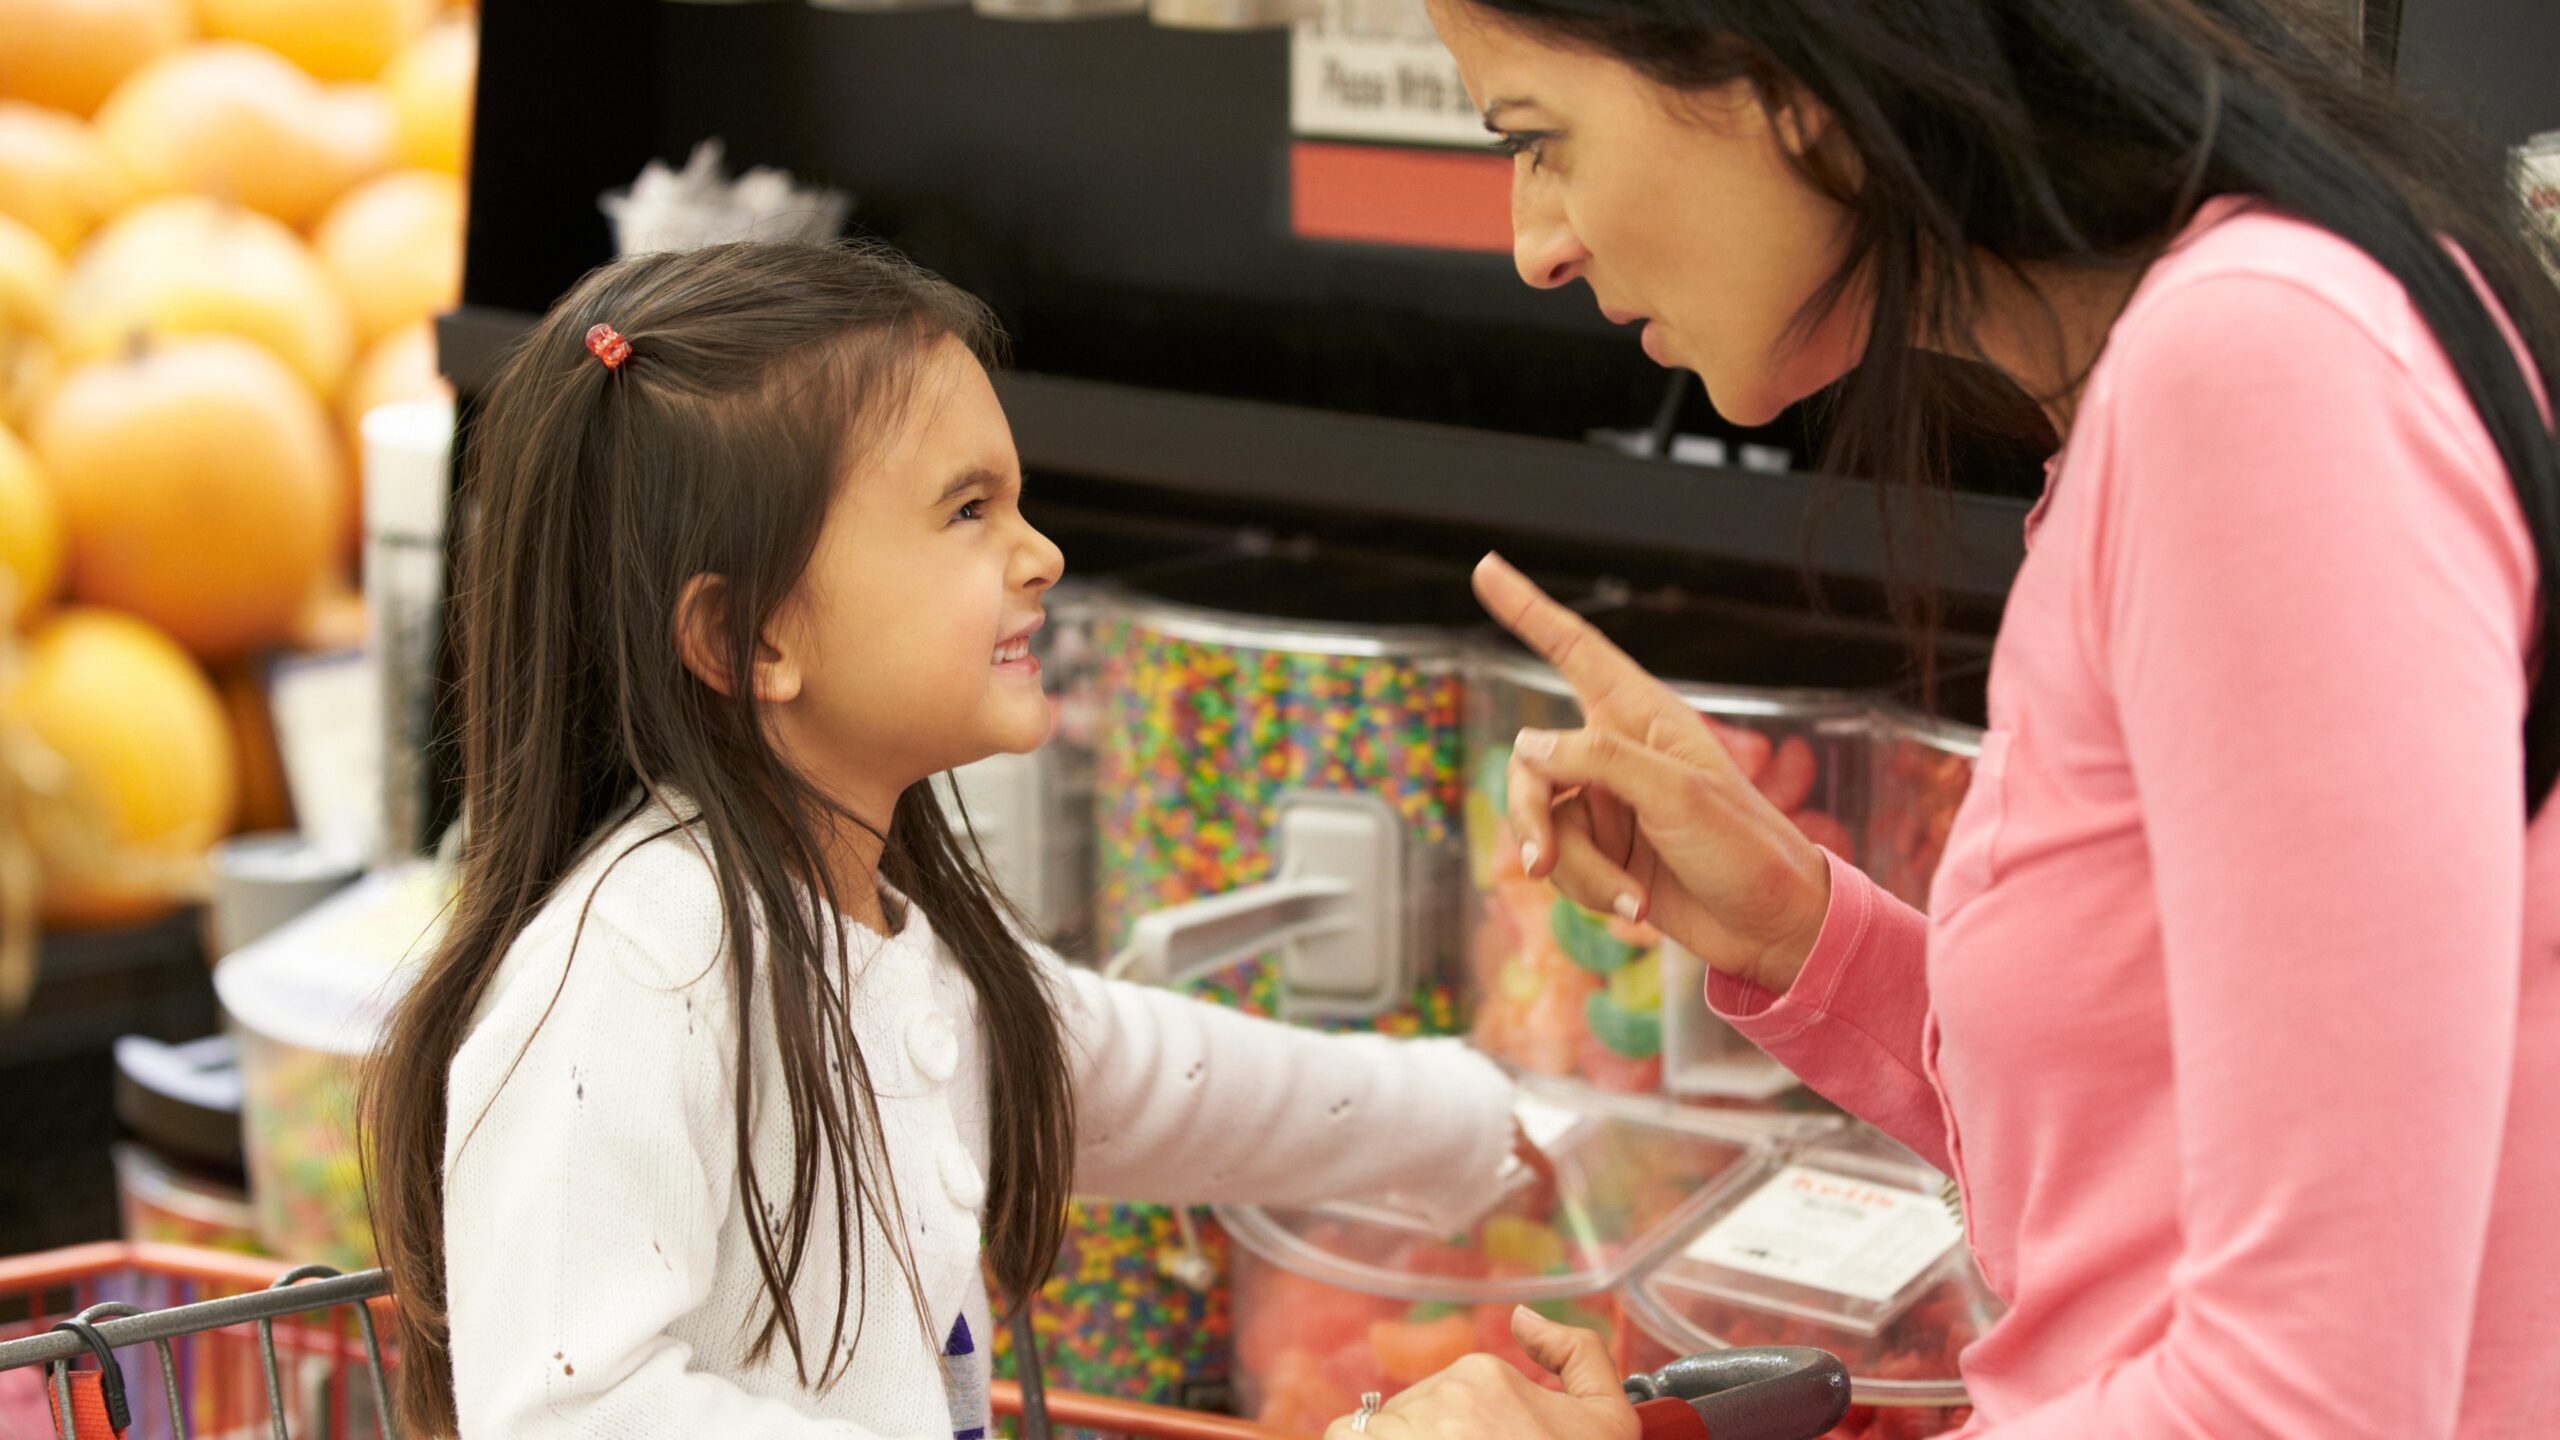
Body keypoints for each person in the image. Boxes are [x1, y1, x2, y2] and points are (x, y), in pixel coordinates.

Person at [1339, 0, 2560, 1435]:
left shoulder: (2255, 375)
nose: (1535, 242)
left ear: (1782, 75)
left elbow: (2305, 1400)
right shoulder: (2235, 351)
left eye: (1540, 139)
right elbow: (2147, 1172)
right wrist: (1808, 933)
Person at [357, 241, 1527, 1439]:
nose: (1042, 555)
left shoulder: (883, 935)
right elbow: (563, 1414)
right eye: (969, 511)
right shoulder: (638, 963)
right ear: (750, 640)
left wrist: (1483, 1126)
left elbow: (1147, 1075)